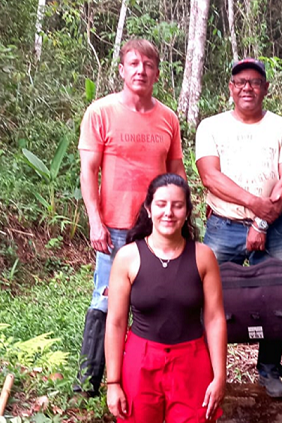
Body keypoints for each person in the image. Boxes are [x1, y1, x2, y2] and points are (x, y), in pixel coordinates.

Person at [104, 174, 227, 423]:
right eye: (161, 204)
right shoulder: (128, 257)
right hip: (140, 362)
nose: (168, 212)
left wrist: (219, 375)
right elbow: (115, 322)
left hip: (192, 363)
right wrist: (113, 382)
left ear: (188, 211)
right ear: (148, 208)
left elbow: (214, 318)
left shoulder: (203, 257)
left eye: (177, 205)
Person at [75, 39, 186, 397]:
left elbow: (176, 171)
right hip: (116, 226)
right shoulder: (100, 112)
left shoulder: (168, 118)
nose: (141, 70)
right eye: (133, 63)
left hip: (158, 226)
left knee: (155, 299)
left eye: (148, 64)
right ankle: (89, 382)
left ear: (157, 72)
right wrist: (95, 219)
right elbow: (88, 170)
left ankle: (145, 376)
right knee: (106, 299)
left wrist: (183, 215)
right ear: (122, 70)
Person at [195, 57, 282, 398]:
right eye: (240, 81)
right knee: (206, 296)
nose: (247, 87)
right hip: (222, 226)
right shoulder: (211, 126)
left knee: (277, 298)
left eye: (255, 82)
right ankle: (209, 371)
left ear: (266, 89)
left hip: (273, 227)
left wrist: (260, 219)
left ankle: (269, 369)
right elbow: (210, 177)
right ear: (230, 88)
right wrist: (254, 204)